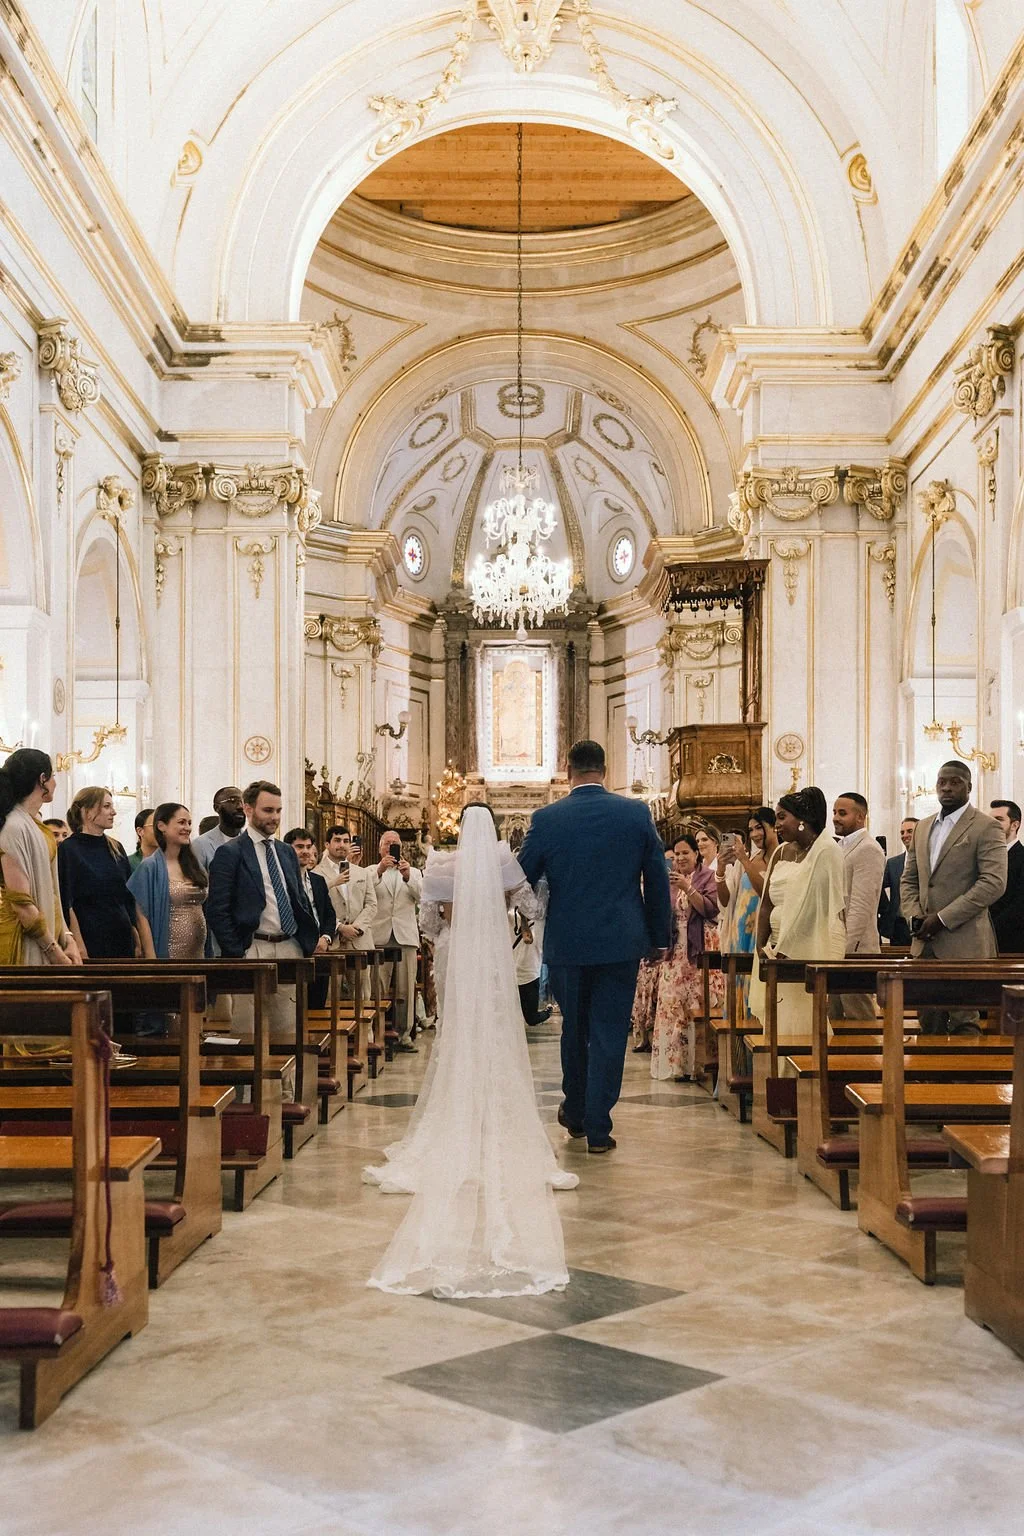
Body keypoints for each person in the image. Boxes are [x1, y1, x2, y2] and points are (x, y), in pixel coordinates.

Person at [364, 805, 577, 1299]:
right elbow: (534, 907)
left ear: (458, 827)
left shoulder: (441, 865)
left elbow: (429, 924)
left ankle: (457, 1114)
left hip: (458, 955)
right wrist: (502, 920)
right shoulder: (505, 863)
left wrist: (455, 933)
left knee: (458, 1031)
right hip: (497, 956)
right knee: (499, 1029)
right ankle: (497, 1117)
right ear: (497, 830)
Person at [517, 739, 672, 1153]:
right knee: (608, 1030)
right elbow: (657, 879)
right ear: (606, 769)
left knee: (575, 1028)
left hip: (568, 942)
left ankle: (577, 1111)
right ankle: (599, 1126)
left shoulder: (548, 818)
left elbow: (522, 877)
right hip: (622, 941)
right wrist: (660, 937)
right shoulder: (635, 813)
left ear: (568, 770)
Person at [205, 781, 319, 1041]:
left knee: (288, 1033)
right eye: (268, 810)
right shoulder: (230, 852)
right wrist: (238, 951)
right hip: (254, 946)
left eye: (278, 811)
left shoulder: (285, 852)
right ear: (248, 809)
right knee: (248, 1034)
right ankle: (248, 1083)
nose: (275, 817)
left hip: (289, 946)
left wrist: (304, 942)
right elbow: (217, 909)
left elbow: (297, 898)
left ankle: (285, 1084)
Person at [901, 761, 1006, 1033]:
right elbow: (909, 879)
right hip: (925, 944)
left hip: (965, 943)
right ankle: (924, 1076)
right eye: (941, 782)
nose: (947, 787)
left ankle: (968, 1076)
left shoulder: (986, 826)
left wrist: (943, 918)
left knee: (965, 1022)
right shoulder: (923, 827)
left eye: (955, 782)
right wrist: (915, 917)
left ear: (969, 787)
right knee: (927, 1023)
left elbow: (993, 883)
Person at [749, 787, 846, 1042]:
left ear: (802, 819)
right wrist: (761, 945)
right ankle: (778, 1077)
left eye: (782, 818)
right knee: (778, 1017)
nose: (777, 825)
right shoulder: (781, 852)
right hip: (775, 948)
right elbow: (767, 903)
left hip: (808, 946)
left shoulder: (826, 852)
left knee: (801, 1017)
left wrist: (785, 950)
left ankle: (802, 1076)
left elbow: (817, 910)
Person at [0, 748, 80, 966]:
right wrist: (53, 951)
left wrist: (67, 938)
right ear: (42, 779)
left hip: (49, 939)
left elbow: (53, 893)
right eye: (53, 776)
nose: (55, 782)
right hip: (20, 942)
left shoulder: (32, 825)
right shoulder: (13, 826)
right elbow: (21, 903)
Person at [650, 832, 720, 1081]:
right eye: (677, 854)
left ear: (696, 854)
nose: (680, 858)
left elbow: (711, 909)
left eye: (685, 853)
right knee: (671, 1005)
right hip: (673, 951)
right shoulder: (668, 880)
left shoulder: (707, 877)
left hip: (697, 950)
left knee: (695, 1005)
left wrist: (688, 888)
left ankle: (698, 1065)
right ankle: (676, 1064)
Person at [58, 786, 143, 959]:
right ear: (87, 811)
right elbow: (67, 902)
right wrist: (78, 944)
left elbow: (126, 897)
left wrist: (135, 934)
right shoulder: (69, 849)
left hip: (121, 934)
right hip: (90, 936)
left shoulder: (115, 847)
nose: (113, 812)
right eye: (106, 806)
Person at [716, 808, 777, 1018]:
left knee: (756, 995)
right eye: (750, 830)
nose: (754, 834)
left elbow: (766, 893)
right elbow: (726, 900)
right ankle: (739, 1050)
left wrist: (744, 860)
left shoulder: (781, 856)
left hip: (760, 935)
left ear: (774, 826)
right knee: (737, 995)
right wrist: (721, 869)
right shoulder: (752, 858)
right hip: (739, 934)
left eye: (759, 828)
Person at [830, 792, 886, 1019]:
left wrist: (843, 950)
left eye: (842, 813)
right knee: (834, 1018)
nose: (835, 818)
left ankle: (868, 1055)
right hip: (836, 947)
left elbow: (861, 905)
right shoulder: (841, 847)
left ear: (861, 817)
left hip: (856, 949)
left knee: (859, 1018)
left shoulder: (868, 849)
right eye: (834, 812)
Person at [127, 802, 207, 960]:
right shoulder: (150, 867)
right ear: (162, 826)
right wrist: (152, 958)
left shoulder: (193, 864)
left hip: (198, 952)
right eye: (181, 822)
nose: (188, 828)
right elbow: (141, 917)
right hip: (169, 951)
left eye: (189, 823)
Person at [371, 830, 423, 1052]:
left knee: (404, 989)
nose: (391, 847)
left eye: (395, 844)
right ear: (380, 848)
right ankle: (377, 1034)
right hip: (378, 936)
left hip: (405, 935)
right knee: (377, 989)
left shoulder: (415, 872)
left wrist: (408, 876)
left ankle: (404, 1035)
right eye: (387, 843)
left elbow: (422, 897)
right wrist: (380, 871)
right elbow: (363, 895)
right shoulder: (370, 872)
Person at [631, 850, 674, 1052]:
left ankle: (651, 1035)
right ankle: (643, 1035)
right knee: (642, 994)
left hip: (659, 945)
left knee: (655, 994)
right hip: (645, 943)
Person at [316, 825, 377, 955]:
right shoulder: (316, 873)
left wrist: (357, 928)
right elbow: (315, 906)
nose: (342, 845)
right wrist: (340, 927)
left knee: (362, 977)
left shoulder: (362, 873)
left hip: (360, 941)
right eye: (337, 840)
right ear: (327, 844)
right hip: (332, 943)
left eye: (346, 841)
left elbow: (371, 904)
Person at [989, 800, 1024, 954]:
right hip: (982, 941)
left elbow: (1020, 905)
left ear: (1014, 825)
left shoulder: (1022, 857)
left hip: (1012, 942)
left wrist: (989, 928)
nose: (992, 824)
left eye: (999, 819)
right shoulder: (986, 858)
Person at [878, 818, 918, 946]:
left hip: (922, 924)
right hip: (898, 926)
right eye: (902, 832)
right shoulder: (893, 863)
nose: (905, 835)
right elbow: (877, 887)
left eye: (909, 831)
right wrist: (886, 910)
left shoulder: (929, 861)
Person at [192, 786, 246, 873]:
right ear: (217, 808)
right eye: (232, 800)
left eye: (243, 802)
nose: (240, 806)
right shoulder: (200, 845)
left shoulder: (252, 843)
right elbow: (198, 883)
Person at [127, 807, 157, 872]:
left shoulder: (173, 861)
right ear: (140, 831)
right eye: (155, 826)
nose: (160, 830)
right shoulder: (128, 863)